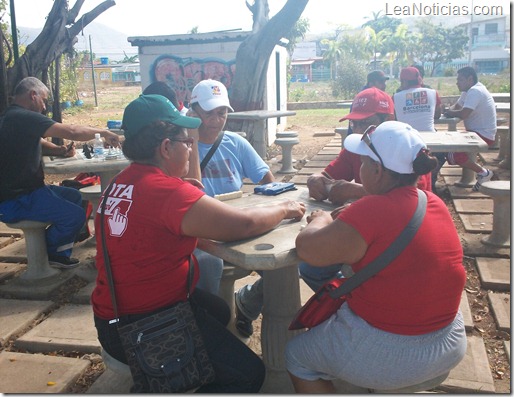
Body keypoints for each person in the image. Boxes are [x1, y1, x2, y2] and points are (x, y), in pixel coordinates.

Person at [91, 94, 306, 393]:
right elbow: (241, 225)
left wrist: (181, 191)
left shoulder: (121, 181)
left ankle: (190, 370)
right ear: (166, 148)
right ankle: (172, 378)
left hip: (114, 313)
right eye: (188, 143)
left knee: (218, 311)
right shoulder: (165, 192)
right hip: (143, 326)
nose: (192, 148)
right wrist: (284, 209)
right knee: (249, 375)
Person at [285, 121, 467, 393]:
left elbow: (308, 249)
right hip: (449, 341)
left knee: (296, 355)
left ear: (377, 170)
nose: (359, 168)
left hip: (395, 350)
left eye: (363, 162)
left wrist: (319, 219)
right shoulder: (432, 200)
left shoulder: (372, 208)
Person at [302, 87, 434, 293]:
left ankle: (353, 295)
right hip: (378, 231)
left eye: (366, 123)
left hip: (396, 243)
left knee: (312, 266)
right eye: (355, 123)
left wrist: (355, 192)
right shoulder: (359, 146)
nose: (359, 130)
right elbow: (328, 174)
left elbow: (409, 199)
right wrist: (315, 179)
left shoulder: (408, 155)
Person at [0, 76, 120, 268]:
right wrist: (104, 133)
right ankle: (49, 251)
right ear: (33, 95)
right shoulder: (23, 117)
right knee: (74, 216)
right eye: (44, 100)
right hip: (16, 199)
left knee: (74, 196)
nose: (45, 107)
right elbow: (71, 131)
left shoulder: (11, 116)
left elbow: (37, 141)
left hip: (25, 191)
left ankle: (59, 251)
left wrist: (58, 150)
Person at [188, 79, 274, 300]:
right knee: (207, 263)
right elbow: (189, 188)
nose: (216, 120)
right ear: (193, 112)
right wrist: (192, 138)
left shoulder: (236, 142)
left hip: (234, 221)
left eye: (222, 113)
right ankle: (209, 319)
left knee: (280, 263)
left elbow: (266, 179)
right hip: (200, 228)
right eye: (209, 113)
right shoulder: (182, 147)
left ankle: (248, 303)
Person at [441, 66, 497, 191]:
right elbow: (458, 106)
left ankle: (483, 172)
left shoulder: (475, 91)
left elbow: (464, 114)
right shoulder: (468, 91)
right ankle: (481, 174)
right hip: (476, 132)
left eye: (460, 79)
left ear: (470, 79)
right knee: (449, 143)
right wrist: (448, 111)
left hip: (483, 135)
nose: (457, 82)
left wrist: (450, 112)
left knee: (452, 153)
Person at [393, 66, 442, 132]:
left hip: (407, 137)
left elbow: (394, 119)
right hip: (430, 134)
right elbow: (437, 115)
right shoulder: (433, 93)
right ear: (418, 79)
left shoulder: (395, 97)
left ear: (404, 82)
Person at [346, 70, 389, 135]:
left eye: (384, 82)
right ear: (371, 84)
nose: (384, 85)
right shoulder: (366, 98)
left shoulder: (364, 96)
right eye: (381, 82)